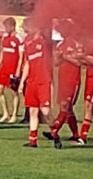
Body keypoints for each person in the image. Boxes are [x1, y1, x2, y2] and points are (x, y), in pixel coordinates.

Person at [45, 21, 82, 147]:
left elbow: (79, 62)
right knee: (67, 108)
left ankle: (54, 130)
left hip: (73, 79)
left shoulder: (76, 43)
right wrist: (57, 57)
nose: (61, 33)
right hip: (63, 79)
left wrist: (65, 57)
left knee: (65, 106)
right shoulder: (60, 44)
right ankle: (76, 135)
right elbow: (56, 63)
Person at [19, 18, 55, 148]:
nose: (25, 29)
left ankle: (54, 132)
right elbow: (27, 63)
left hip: (43, 81)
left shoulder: (43, 41)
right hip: (32, 82)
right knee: (33, 111)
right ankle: (33, 140)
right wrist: (22, 82)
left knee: (45, 111)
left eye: (27, 27)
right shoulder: (28, 42)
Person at [0, 16, 23, 123]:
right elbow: (2, 51)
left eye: (7, 27)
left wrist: (18, 70)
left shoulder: (18, 38)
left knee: (13, 92)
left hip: (13, 69)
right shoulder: (4, 37)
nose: (5, 29)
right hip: (4, 69)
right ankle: (5, 113)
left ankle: (14, 115)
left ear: (12, 26)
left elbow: (21, 56)